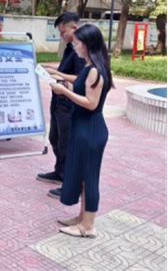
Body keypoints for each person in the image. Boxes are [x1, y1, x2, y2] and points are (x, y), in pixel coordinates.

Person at [49, 24, 113, 238]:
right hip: (84, 127)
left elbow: (91, 104)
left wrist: (64, 92)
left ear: (87, 44)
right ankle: (82, 218)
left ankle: (88, 226)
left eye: (77, 43)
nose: (74, 46)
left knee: (90, 179)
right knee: (85, 178)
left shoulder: (95, 70)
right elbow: (83, 92)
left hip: (90, 130)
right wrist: (66, 87)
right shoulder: (90, 66)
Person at [37, 12, 86, 199]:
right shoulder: (70, 47)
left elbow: (81, 78)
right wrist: (52, 70)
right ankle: (60, 172)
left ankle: (71, 184)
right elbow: (67, 71)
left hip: (69, 101)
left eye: (63, 31)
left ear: (74, 28)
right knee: (56, 138)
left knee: (66, 142)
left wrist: (58, 75)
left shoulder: (81, 50)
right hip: (59, 98)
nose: (61, 35)